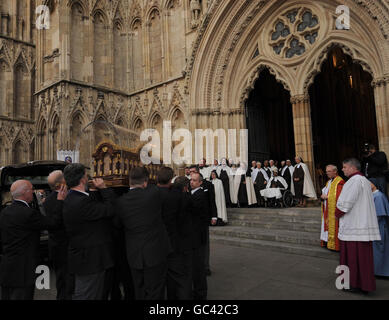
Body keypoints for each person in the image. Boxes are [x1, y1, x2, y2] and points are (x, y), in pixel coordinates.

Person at [0, 180, 65, 300]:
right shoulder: (28, 213)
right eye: (31, 189)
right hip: (23, 269)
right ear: (25, 193)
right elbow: (53, 223)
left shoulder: (4, 212)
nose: (33, 191)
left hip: (7, 266)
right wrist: (60, 201)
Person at [115, 167, 171, 300]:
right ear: (145, 182)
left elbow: (117, 223)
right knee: (156, 291)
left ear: (129, 181)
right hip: (155, 253)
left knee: (139, 290)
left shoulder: (121, 201)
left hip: (134, 255)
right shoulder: (154, 194)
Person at [63, 163, 116, 300]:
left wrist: (92, 192)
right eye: (86, 176)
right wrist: (104, 188)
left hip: (83, 257)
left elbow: (89, 210)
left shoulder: (71, 197)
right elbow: (110, 209)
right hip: (90, 260)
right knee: (87, 294)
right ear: (82, 180)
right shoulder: (81, 202)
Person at [335, 158, 381, 293]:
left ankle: (352, 284)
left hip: (353, 226)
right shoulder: (365, 181)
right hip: (362, 224)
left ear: (352, 167)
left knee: (352, 258)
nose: (342, 169)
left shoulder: (353, 181)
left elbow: (345, 204)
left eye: (344, 167)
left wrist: (336, 214)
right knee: (363, 259)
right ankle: (364, 285)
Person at [157, 167, 192, 300]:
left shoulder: (151, 194)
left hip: (156, 245)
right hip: (175, 243)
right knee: (180, 279)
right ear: (171, 179)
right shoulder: (178, 196)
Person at [44, 170, 73, 300]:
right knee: (66, 280)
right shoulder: (61, 199)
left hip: (56, 246)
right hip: (64, 246)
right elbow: (58, 222)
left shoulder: (48, 199)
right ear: (61, 183)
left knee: (61, 279)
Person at [189, 165, 217, 276]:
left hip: (203, 219)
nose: (191, 174)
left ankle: (205, 267)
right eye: (190, 172)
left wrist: (214, 216)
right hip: (192, 222)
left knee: (205, 245)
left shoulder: (208, 185)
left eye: (193, 172)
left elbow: (211, 201)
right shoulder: (188, 185)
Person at [189, 172, 209, 299]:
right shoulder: (193, 194)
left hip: (197, 236)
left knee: (198, 267)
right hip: (195, 236)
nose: (191, 182)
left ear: (200, 182)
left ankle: (200, 294)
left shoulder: (200, 195)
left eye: (195, 180)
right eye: (191, 180)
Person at [320, 165, 345, 252]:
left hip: (334, 210)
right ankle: (328, 242)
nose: (327, 173)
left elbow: (339, 196)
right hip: (327, 208)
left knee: (334, 226)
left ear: (335, 171)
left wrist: (327, 197)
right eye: (326, 172)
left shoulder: (339, 182)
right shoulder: (329, 182)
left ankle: (334, 245)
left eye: (329, 171)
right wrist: (323, 197)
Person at [371, 182, 389, 277]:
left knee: (380, 250)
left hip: (379, 227)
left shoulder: (378, 196)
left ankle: (380, 272)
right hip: (377, 226)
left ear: (374, 184)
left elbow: (379, 214)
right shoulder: (375, 195)